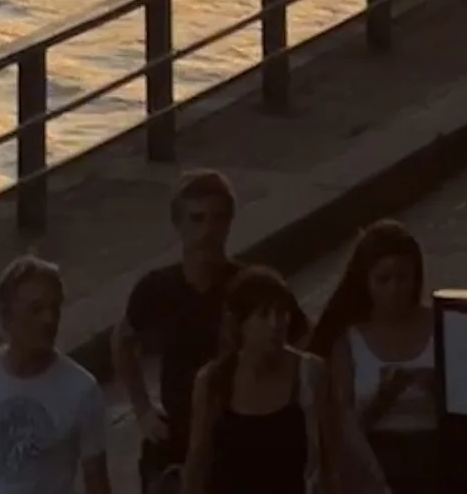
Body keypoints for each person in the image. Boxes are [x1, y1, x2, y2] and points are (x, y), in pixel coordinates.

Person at [0, 255, 110, 494]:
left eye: (54, 308)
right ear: (6, 316)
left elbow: (97, 483)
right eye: (36, 309)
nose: (49, 320)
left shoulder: (82, 390)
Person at [115, 168, 236, 488]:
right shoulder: (156, 289)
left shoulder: (247, 286)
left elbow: (303, 342)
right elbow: (122, 340)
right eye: (197, 219)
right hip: (176, 434)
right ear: (178, 224)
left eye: (218, 218)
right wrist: (142, 409)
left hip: (235, 436)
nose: (208, 230)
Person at [184, 265, 342, 494]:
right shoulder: (213, 382)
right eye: (263, 314)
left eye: (281, 312)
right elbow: (197, 462)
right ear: (241, 323)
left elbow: (331, 459)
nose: (275, 324)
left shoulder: (309, 373)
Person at [309, 222, 437, 493]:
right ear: (365, 281)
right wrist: (383, 398)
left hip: (438, 459)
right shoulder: (348, 340)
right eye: (383, 280)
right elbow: (342, 429)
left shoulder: (441, 327)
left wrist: (439, 389)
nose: (394, 289)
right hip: (375, 464)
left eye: (403, 278)